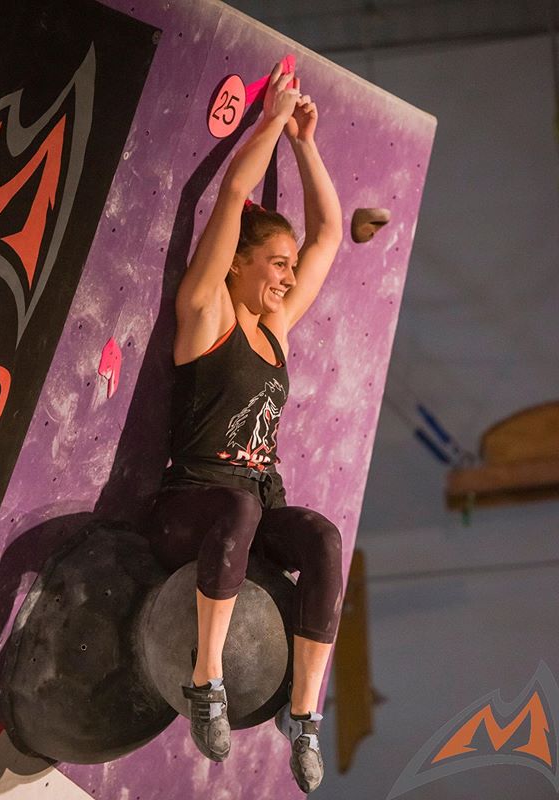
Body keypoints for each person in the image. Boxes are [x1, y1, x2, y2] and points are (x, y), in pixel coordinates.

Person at [147, 61, 344, 794]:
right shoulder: (208, 311)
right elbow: (229, 194)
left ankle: (303, 716)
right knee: (234, 507)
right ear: (237, 264)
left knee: (321, 537)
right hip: (187, 510)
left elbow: (329, 235)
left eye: (291, 269)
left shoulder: (276, 329)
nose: (291, 278)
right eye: (277, 264)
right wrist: (266, 123)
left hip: (251, 511)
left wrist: (305, 143)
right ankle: (207, 683)